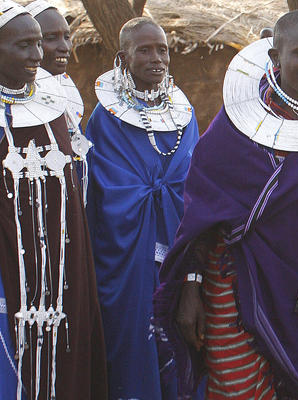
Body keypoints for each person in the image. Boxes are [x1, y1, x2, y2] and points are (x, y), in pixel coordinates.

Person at [153, 10, 298, 399]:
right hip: (239, 285)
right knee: (237, 388)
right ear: (275, 58)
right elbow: (200, 217)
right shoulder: (234, 128)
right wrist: (191, 285)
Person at [85, 16, 199, 400]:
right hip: (125, 255)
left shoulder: (185, 115)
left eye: (162, 49)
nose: (157, 58)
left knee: (179, 337)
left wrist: (166, 194)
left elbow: (192, 179)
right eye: (144, 50)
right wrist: (149, 193)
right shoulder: (105, 119)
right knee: (132, 338)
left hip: (177, 248)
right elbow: (104, 189)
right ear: (123, 57)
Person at [0, 2, 108, 398]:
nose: (37, 54)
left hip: (62, 266)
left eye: (37, 43)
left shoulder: (54, 104)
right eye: (24, 45)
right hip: (10, 267)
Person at [25, 0, 91, 198]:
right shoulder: (10, 107)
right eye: (51, 38)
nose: (65, 47)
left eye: (67, 37)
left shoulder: (66, 97)